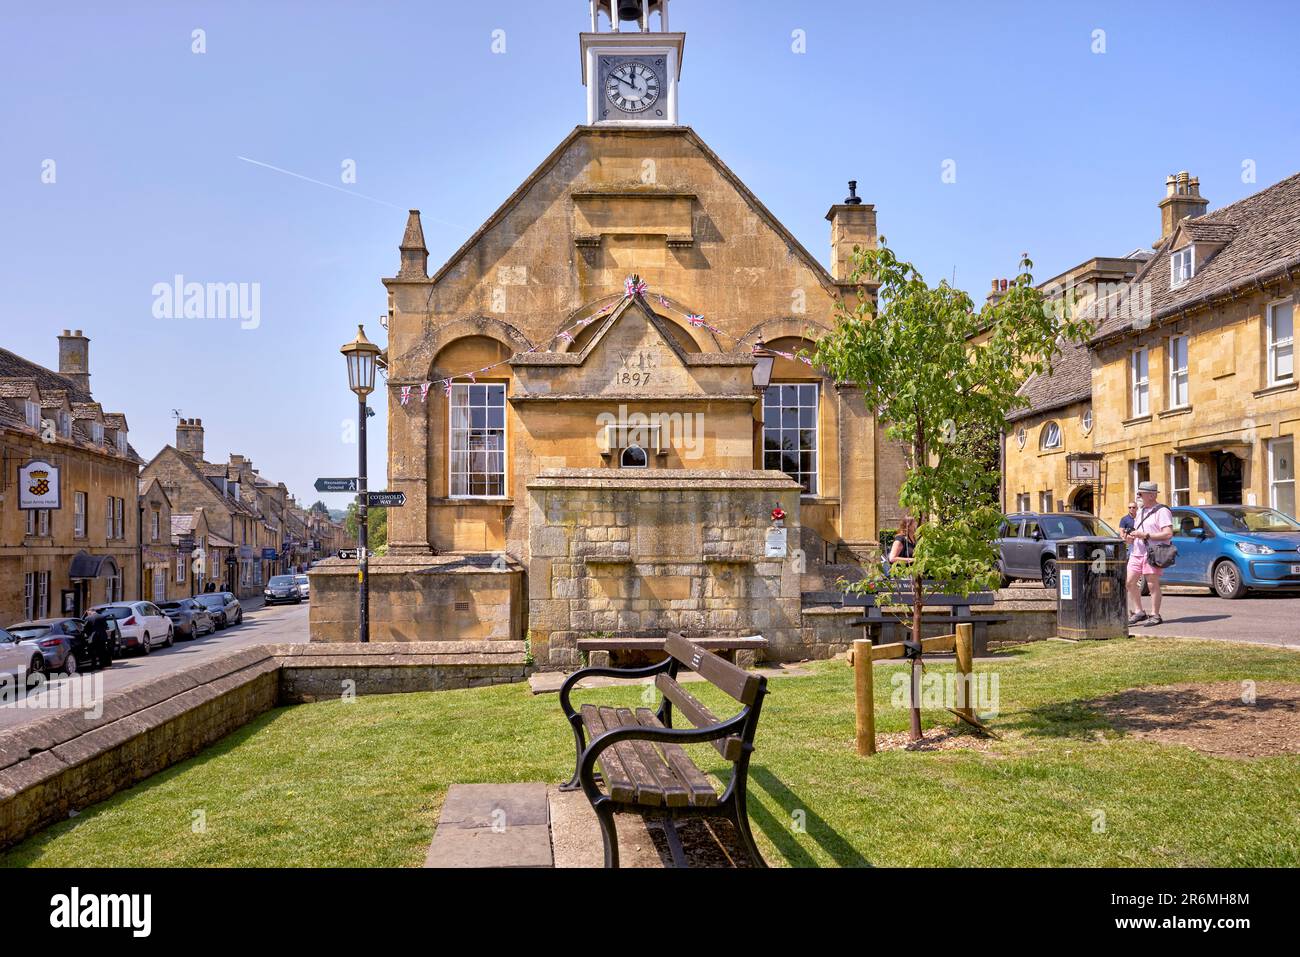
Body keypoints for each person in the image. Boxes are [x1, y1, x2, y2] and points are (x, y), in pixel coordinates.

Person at [1124, 482, 1174, 626]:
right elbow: (1138, 531)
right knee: (1129, 582)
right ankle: (1139, 611)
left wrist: (1146, 535)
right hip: (1136, 552)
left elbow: (1168, 533)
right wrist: (1131, 537)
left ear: (1152, 495)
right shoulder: (1140, 511)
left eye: (1141, 494)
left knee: (1152, 584)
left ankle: (1155, 614)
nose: (1138, 496)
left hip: (1152, 553)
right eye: (1138, 493)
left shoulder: (1162, 511)